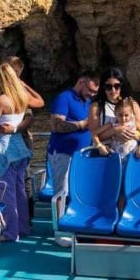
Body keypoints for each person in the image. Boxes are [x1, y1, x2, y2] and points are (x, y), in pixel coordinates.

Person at [0, 62, 44, 242]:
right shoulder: (22, 97)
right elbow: (40, 101)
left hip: (5, 148)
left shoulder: (1, 101)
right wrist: (24, 85)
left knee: (6, 191)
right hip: (20, 146)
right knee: (20, 190)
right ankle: (24, 227)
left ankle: (11, 233)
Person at [45, 70, 99, 246]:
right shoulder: (64, 98)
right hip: (63, 153)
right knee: (61, 191)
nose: (92, 94)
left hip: (82, 156)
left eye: (95, 92)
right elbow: (56, 124)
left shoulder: (88, 101)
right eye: (90, 89)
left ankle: (76, 225)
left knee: (79, 192)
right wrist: (81, 124)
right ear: (81, 81)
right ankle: (59, 231)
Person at [90, 67, 140, 147]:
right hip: (106, 153)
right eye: (108, 86)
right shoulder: (96, 107)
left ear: (122, 86)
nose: (113, 90)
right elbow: (94, 136)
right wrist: (115, 131)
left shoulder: (132, 104)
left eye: (117, 86)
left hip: (130, 151)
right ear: (103, 87)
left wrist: (129, 133)